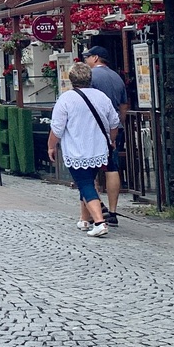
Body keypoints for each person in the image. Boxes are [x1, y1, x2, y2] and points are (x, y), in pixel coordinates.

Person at [47, 62, 119, 238]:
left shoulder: (66, 99)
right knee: (88, 181)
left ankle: (99, 222)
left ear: (71, 79)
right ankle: (84, 219)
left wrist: (51, 146)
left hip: (77, 149)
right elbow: (114, 123)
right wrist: (112, 140)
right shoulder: (102, 97)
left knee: (85, 184)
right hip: (99, 148)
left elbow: (57, 128)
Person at [83, 47, 127, 227]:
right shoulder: (117, 77)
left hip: (95, 129)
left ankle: (96, 208)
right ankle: (113, 211)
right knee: (111, 167)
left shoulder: (91, 77)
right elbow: (123, 105)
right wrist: (119, 123)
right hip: (115, 128)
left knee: (88, 170)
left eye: (87, 57)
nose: (86, 61)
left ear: (95, 58)